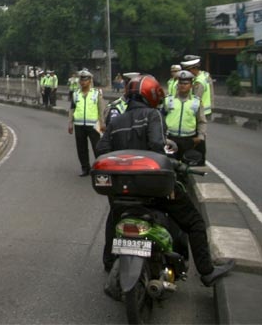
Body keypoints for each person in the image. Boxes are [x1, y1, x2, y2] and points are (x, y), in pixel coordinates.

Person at [96, 74, 234, 287]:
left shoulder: (116, 121)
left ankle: (108, 261)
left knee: (114, 215)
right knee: (195, 222)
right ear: (150, 95)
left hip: (121, 190)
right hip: (151, 189)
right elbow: (157, 149)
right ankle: (206, 271)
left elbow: (102, 151)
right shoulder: (153, 115)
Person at [163, 70, 207, 164]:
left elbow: (201, 121)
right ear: (177, 85)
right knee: (168, 165)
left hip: (189, 140)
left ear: (191, 85)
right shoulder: (168, 100)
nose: (183, 85)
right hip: (170, 139)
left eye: (186, 83)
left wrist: (200, 137)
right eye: (180, 83)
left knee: (187, 168)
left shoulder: (196, 102)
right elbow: (160, 118)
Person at [68, 69, 105, 176]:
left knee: (97, 147)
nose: (82, 82)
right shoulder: (76, 94)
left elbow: (101, 109)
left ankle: (100, 167)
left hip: (93, 125)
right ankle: (85, 168)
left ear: (90, 80)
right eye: (81, 79)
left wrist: (102, 123)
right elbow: (72, 109)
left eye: (85, 79)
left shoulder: (96, 93)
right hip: (79, 125)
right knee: (81, 148)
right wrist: (70, 123)